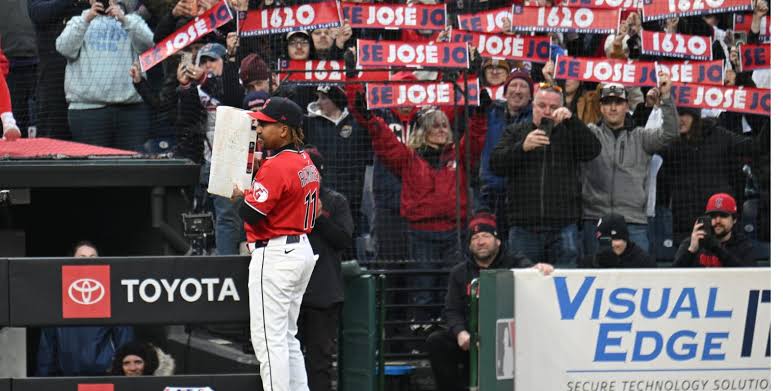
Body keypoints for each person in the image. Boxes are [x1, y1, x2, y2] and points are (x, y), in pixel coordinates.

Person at [347, 87, 488, 326]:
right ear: (423, 131)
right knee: (423, 288)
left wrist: (480, 115)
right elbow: (385, 141)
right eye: (435, 126)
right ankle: (421, 331)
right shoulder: (409, 159)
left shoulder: (459, 156)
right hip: (421, 234)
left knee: (451, 287)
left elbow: (474, 139)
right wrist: (370, 119)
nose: (442, 130)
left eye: (444, 125)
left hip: (455, 233)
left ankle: (451, 331)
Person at [231, 97, 320, 391]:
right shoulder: (305, 160)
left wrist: (240, 196)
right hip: (299, 249)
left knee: (269, 340)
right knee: (286, 336)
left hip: (277, 252)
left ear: (283, 129)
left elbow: (251, 214)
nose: (259, 129)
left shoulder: (277, 165)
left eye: (266, 124)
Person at [425, 211, 553, 391]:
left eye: (485, 236)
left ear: (498, 240)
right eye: (475, 238)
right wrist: (461, 333)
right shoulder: (459, 272)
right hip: (473, 340)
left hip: (509, 339)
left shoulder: (514, 262)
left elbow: (532, 272)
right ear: (470, 245)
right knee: (436, 341)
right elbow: (452, 310)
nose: (480, 242)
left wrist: (539, 269)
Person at [490, 83, 601, 267]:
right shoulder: (515, 131)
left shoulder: (570, 132)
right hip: (524, 226)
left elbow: (593, 150)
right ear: (533, 106)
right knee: (524, 281)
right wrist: (522, 148)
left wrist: (572, 121)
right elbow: (495, 164)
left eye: (553, 107)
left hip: (563, 225)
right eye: (542, 105)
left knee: (566, 280)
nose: (547, 111)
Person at [581, 75, 678, 257]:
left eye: (618, 103)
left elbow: (670, 134)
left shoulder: (641, 136)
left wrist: (666, 98)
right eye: (607, 103)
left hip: (633, 222)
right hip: (595, 219)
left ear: (626, 106)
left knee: (637, 273)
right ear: (600, 107)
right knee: (594, 273)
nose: (613, 108)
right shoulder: (590, 134)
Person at [55, 0, 154, 151]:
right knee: (93, 165)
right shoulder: (78, 20)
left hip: (131, 110)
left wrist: (124, 19)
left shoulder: (133, 20)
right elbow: (63, 48)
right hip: (88, 111)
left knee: (132, 165)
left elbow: (150, 45)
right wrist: (86, 20)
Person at [296, 147, 353, 391]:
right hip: (290, 293)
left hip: (323, 294)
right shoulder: (285, 199)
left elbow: (343, 240)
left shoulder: (335, 201)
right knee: (286, 359)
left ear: (319, 173)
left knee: (319, 363)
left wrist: (319, 217)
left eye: (310, 172)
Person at [37, 241, 135, 376]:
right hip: (67, 377)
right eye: (82, 258)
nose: (88, 262)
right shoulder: (58, 298)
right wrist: (44, 379)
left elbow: (125, 340)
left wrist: (121, 374)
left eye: (93, 258)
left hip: (104, 376)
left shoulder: (111, 295)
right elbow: (47, 346)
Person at [658, 108, 752, 243]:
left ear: (695, 116)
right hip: (684, 225)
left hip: (717, 223)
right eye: (674, 115)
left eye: (682, 114)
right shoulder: (670, 143)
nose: (678, 120)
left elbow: (753, 146)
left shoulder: (719, 135)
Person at [303, 84, 371, 255]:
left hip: (353, 194)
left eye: (324, 98)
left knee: (349, 239)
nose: (319, 102)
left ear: (336, 100)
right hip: (323, 193)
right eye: (318, 97)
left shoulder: (356, 123)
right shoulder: (311, 123)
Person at [478, 70, 534, 240]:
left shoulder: (536, 118)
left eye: (523, 86)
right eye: (513, 85)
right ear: (504, 92)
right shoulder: (490, 112)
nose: (517, 90)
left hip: (522, 197)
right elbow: (472, 92)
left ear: (531, 95)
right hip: (490, 192)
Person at [673, 193, 755, 267]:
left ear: (734, 219)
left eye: (723, 216)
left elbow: (748, 275)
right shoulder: (691, 243)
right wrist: (691, 251)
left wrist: (717, 248)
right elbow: (673, 275)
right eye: (713, 216)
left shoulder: (742, 245)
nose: (717, 220)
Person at [580, 213, 656, 268]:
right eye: (605, 240)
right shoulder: (590, 264)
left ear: (625, 239)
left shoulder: (644, 262)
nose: (612, 244)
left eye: (616, 239)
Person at [109, 341, 175, 376]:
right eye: (126, 363)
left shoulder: (165, 386)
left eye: (138, 362)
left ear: (149, 364)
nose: (132, 368)